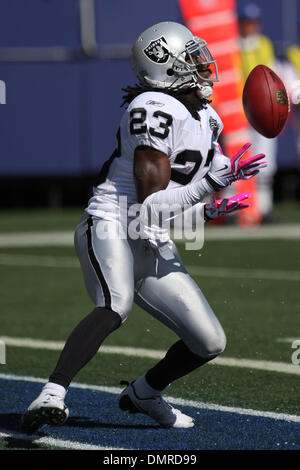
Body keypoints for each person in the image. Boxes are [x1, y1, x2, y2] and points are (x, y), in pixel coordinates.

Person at [21, 21, 266, 432]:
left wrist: (213, 204)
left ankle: (145, 392)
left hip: (151, 233)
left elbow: (180, 200)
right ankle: (51, 393)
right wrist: (211, 186)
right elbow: (149, 205)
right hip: (112, 221)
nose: (202, 61)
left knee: (209, 342)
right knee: (115, 304)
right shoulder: (152, 109)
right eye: (190, 55)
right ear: (165, 65)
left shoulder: (205, 116)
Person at [239, 3, 277, 222]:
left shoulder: (264, 44)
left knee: (265, 162)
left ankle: (264, 208)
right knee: (238, 162)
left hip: (262, 110)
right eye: (247, 22)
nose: (250, 27)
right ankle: (235, 209)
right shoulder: (234, 45)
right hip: (239, 111)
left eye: (254, 22)